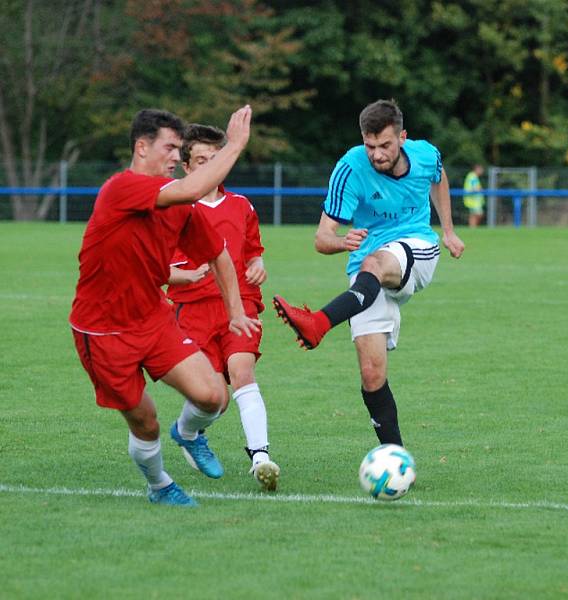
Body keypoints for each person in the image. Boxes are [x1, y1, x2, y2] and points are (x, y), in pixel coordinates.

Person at [70, 106, 260, 507]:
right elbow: (191, 189)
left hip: (153, 320)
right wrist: (236, 144)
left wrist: (234, 311)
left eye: (179, 149)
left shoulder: (180, 206)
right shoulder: (122, 188)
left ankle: (188, 435)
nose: (177, 156)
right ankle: (160, 486)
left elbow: (219, 255)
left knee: (213, 397)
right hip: (104, 331)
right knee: (145, 421)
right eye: (171, 148)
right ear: (142, 147)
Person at [272, 99, 464, 448]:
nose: (376, 154)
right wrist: (342, 241)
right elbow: (321, 239)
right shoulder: (350, 167)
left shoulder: (425, 154)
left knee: (373, 263)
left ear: (402, 137)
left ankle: (318, 323)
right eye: (370, 145)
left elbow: (439, 177)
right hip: (365, 271)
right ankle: (394, 459)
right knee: (372, 374)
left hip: (416, 247)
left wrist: (448, 231)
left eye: (385, 145)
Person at [166, 123, 279, 491]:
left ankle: (260, 457)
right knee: (214, 399)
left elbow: (254, 253)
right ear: (187, 167)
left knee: (243, 370)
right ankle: (187, 432)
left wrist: (258, 266)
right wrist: (185, 275)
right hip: (193, 312)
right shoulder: (174, 207)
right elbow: (155, 266)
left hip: (241, 305)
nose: (209, 167)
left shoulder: (242, 206)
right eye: (200, 161)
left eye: (216, 160)